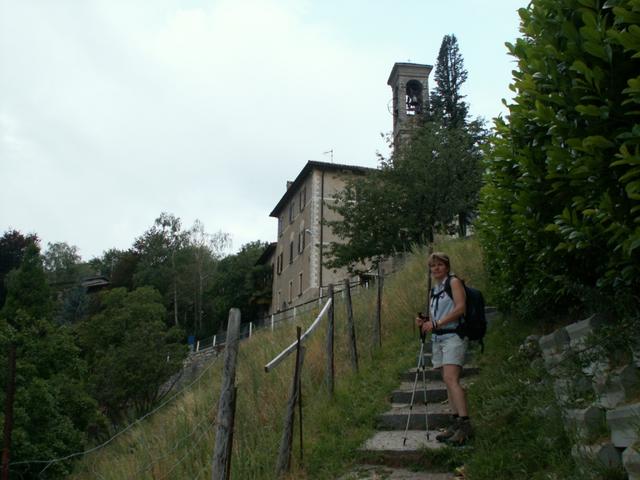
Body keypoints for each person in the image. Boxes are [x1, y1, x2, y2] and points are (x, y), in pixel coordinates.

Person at [415, 252, 471, 445]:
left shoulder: (454, 283)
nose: (436, 268)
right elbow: (436, 316)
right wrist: (425, 321)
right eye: (433, 266)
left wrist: (436, 323)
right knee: (447, 381)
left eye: (439, 265)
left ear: (447, 267)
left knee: (451, 378)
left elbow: (460, 309)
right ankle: (455, 423)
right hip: (439, 339)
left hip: (454, 336)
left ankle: (465, 425)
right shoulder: (435, 290)